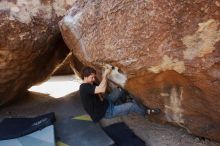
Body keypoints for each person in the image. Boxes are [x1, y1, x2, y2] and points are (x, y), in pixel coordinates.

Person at [79, 66, 160, 122]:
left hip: (105, 103)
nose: (93, 79)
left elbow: (102, 92)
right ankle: (146, 112)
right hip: (106, 112)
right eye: (92, 77)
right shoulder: (83, 88)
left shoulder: (90, 83)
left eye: (94, 77)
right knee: (132, 105)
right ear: (85, 77)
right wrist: (104, 75)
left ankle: (121, 103)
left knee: (119, 90)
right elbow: (102, 89)